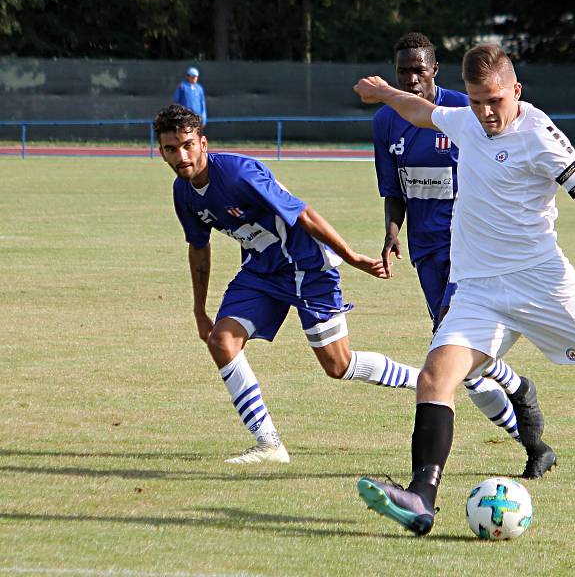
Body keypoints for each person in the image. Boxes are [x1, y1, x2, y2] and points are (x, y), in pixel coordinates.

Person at [353, 44, 575, 536]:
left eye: (495, 101)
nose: (484, 112)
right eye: (477, 100)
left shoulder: (540, 136)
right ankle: (422, 498)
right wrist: (386, 93)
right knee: (436, 376)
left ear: (516, 91)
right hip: (479, 290)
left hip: (543, 284)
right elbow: (421, 112)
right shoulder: (464, 120)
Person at [154, 103, 422, 465]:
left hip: (307, 267)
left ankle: (426, 381)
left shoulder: (237, 172)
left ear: (203, 143)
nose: (181, 155)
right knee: (222, 340)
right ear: (161, 151)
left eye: (187, 145)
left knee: (338, 366)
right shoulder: (182, 193)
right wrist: (199, 310)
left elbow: (303, 213)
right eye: (171, 148)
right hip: (261, 272)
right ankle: (269, 444)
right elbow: (199, 250)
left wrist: (353, 256)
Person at [372, 32, 556, 479]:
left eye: (419, 69)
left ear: (435, 69)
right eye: (403, 71)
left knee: (448, 349)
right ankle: (531, 435)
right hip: (427, 252)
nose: (411, 79)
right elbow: (393, 188)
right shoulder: (385, 122)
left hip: (471, 249)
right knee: (466, 367)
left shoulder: (463, 111)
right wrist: (392, 232)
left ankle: (514, 417)